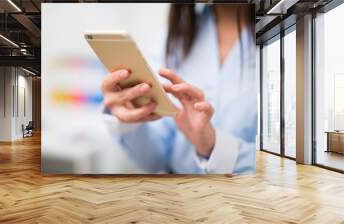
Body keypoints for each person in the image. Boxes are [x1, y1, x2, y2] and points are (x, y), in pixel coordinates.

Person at [102, 4, 257, 174]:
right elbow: (154, 160)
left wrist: (215, 148)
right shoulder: (177, 33)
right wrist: (129, 120)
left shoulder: (282, 28)